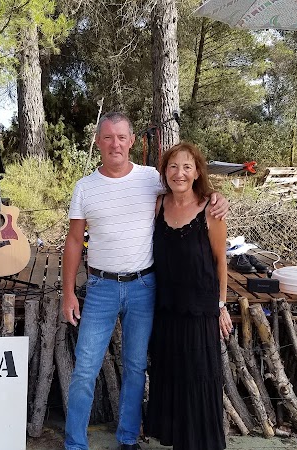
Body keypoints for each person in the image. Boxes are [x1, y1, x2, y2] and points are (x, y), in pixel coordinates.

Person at [61, 112, 228, 450]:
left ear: (132, 141)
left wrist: (218, 197)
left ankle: (127, 438)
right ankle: (75, 444)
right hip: (101, 288)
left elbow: (187, 188)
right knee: (85, 369)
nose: (115, 144)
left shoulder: (151, 178)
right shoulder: (85, 188)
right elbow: (74, 241)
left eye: (121, 137)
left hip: (144, 287)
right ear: (98, 142)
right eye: (108, 137)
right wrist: (68, 293)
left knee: (136, 366)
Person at [145, 142, 232, 450]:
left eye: (186, 167)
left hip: (199, 311)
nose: (179, 173)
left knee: (198, 379)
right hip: (166, 309)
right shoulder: (158, 204)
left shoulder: (211, 209)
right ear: (164, 172)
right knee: (171, 378)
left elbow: (221, 261)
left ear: (197, 173)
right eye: (172, 166)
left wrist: (221, 306)